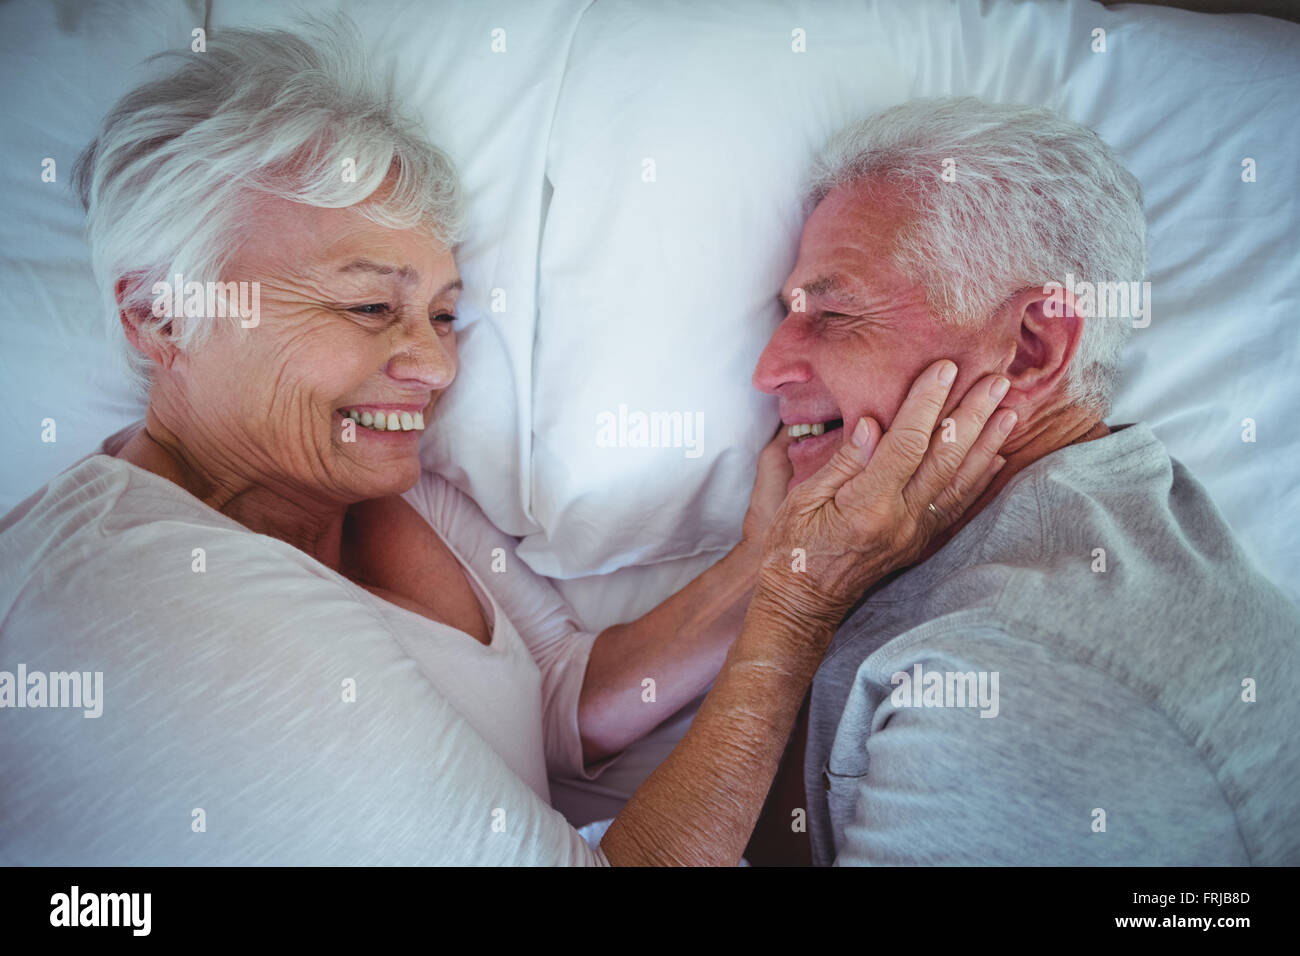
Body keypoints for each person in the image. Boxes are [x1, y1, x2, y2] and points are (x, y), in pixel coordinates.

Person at [0, 24, 1010, 865]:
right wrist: (799, 607)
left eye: (441, 315)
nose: (434, 368)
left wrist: (768, 554)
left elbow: (561, 697)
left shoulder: (367, 486)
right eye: (366, 305)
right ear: (160, 317)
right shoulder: (150, 596)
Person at [749, 97, 1300, 866]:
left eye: (834, 315)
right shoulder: (1107, 508)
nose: (766, 370)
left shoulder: (1013, 687)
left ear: (1031, 350)